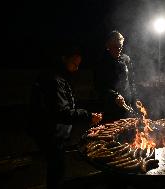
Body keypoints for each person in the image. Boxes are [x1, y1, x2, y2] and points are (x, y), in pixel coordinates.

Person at [28, 43, 102, 189]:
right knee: (57, 170)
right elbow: (62, 112)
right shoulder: (55, 80)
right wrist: (88, 115)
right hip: (51, 133)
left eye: (78, 64)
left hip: (51, 131)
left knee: (56, 168)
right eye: (74, 63)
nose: (77, 68)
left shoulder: (57, 76)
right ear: (64, 59)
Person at [94, 30, 138, 121]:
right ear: (108, 46)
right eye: (115, 46)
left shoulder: (126, 59)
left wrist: (134, 99)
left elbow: (131, 81)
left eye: (120, 46)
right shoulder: (101, 62)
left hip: (127, 103)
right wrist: (114, 96)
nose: (118, 49)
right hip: (110, 108)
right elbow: (99, 86)